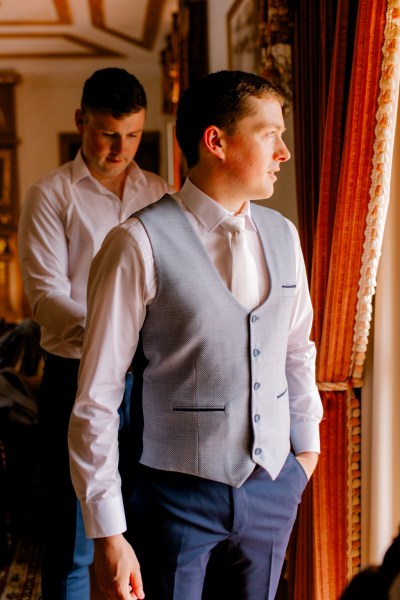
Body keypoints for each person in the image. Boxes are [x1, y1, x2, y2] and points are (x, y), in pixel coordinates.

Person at [68, 69, 324, 600]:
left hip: (274, 487)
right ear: (216, 141)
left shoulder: (285, 235)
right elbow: (96, 398)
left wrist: (306, 457)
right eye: (270, 133)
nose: (284, 152)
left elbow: (297, 350)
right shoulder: (135, 244)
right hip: (172, 497)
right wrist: (108, 532)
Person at [18, 67, 173, 600]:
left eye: (131, 135)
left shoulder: (159, 195)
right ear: (81, 120)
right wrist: (113, 329)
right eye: (109, 133)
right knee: (75, 535)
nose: (120, 148)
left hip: (150, 381)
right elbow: (45, 298)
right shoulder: (50, 196)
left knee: (139, 528)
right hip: (73, 376)